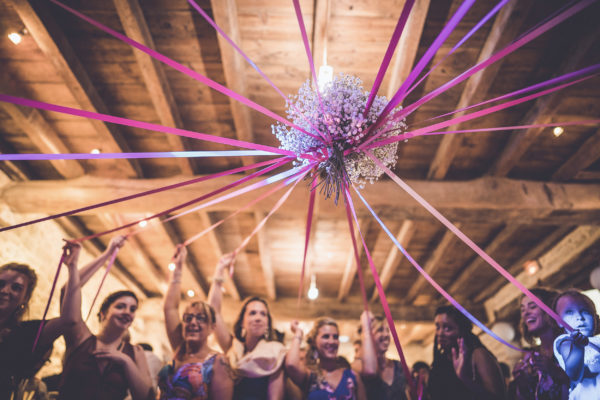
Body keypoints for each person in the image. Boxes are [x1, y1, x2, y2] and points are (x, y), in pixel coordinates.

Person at [58, 241, 153, 400]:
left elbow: (146, 397)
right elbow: (67, 291)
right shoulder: (80, 338)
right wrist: (105, 254)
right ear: (103, 313)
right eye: (121, 306)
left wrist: (125, 362)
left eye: (132, 309)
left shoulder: (135, 353)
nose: (127, 312)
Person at [0, 242, 86, 399]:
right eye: (1, 283)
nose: (5, 291)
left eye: (16, 287)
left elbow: (70, 319)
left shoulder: (24, 333)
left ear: (25, 298)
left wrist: (73, 266)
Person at [159, 246, 234, 399]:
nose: (193, 322)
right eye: (188, 318)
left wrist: (219, 272)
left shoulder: (218, 362)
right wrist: (178, 267)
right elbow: (170, 308)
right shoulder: (179, 349)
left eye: (201, 318)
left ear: (212, 327)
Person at [208, 254, 286, 400]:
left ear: (267, 323)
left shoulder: (275, 354)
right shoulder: (232, 347)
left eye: (263, 314)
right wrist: (219, 270)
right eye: (252, 313)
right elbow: (214, 312)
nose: (258, 318)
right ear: (242, 321)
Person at [428, 305, 505, 400]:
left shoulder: (478, 355)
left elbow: (499, 398)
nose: (440, 333)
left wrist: (465, 378)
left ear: (462, 330)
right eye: (437, 327)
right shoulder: (441, 361)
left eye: (447, 328)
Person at [286, 317, 366, 400]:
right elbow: (291, 364)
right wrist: (298, 333)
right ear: (314, 341)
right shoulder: (310, 376)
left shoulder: (352, 376)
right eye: (326, 336)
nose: (331, 341)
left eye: (335, 337)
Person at [510, 288, 569, 400]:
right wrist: (523, 386)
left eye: (532, 307)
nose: (526, 313)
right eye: (522, 310)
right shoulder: (530, 358)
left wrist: (555, 371)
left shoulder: (569, 346)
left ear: (549, 309)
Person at [553, 289, 600, 400]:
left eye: (586, 311)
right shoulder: (566, 341)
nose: (579, 316)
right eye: (569, 312)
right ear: (559, 321)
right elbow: (573, 374)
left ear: (596, 318)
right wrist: (578, 347)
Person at [352, 312, 409, 399]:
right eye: (380, 330)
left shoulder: (399, 367)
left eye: (387, 330)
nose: (386, 334)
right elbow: (370, 371)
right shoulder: (358, 366)